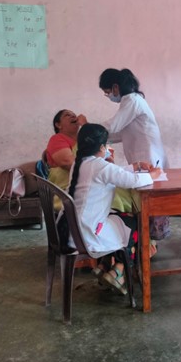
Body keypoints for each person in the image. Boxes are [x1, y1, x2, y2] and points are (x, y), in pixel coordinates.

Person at [67, 123, 162, 295]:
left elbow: (114, 172)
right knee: (135, 223)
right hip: (87, 235)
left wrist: (136, 166)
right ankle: (118, 272)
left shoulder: (79, 163)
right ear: (103, 147)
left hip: (71, 230)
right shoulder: (99, 166)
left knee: (120, 217)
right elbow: (131, 181)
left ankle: (106, 267)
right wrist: (153, 175)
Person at [99, 68, 170, 241]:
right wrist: (98, 138)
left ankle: (149, 246)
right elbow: (118, 133)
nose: (109, 96)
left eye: (107, 92)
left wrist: (89, 129)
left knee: (150, 204)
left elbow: (113, 126)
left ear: (116, 87)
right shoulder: (130, 102)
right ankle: (146, 244)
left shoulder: (131, 100)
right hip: (143, 158)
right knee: (144, 202)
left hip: (150, 157)